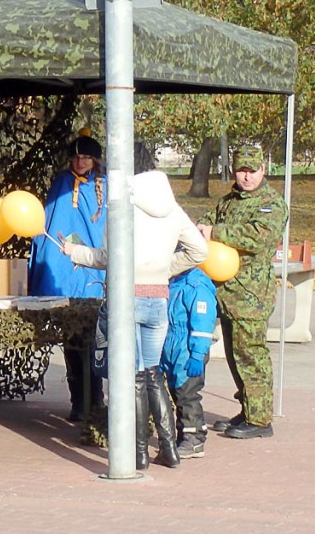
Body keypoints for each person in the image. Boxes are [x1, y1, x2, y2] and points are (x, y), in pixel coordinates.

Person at [61, 144, 207, 468]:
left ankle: (138, 452)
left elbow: (107, 257)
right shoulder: (171, 206)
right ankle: (168, 448)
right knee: (153, 373)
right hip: (159, 296)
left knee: (134, 377)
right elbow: (200, 251)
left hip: (127, 297)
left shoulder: (122, 207)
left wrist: (75, 252)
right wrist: (164, 269)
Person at [197, 145, 288, 440]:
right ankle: (247, 409)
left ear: (263, 169)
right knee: (235, 354)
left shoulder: (271, 204)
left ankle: (260, 420)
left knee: (251, 354)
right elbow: (206, 222)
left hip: (251, 294)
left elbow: (259, 238)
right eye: (241, 170)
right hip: (225, 290)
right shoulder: (229, 201)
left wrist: (216, 232)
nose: (246, 176)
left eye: (252, 170)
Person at [28, 132, 107, 421]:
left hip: (93, 275)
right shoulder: (60, 184)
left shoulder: (105, 187)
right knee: (73, 343)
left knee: (93, 343)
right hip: (65, 275)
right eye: (76, 156)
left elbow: (103, 232)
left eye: (86, 156)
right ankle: (79, 402)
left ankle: (95, 401)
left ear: (95, 159)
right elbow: (48, 226)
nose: (80, 161)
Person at [161, 267, 218, 458]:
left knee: (187, 394)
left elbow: (203, 323)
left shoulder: (196, 286)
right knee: (177, 393)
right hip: (172, 345)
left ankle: (194, 438)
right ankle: (184, 434)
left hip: (188, 348)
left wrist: (197, 354)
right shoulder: (174, 282)